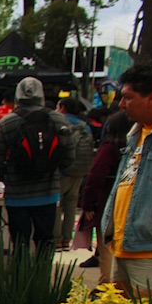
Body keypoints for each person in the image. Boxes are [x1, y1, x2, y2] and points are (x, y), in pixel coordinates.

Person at [100, 62, 152, 296]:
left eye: (127, 97)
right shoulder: (136, 133)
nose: (121, 104)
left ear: (151, 98)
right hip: (122, 246)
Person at [0, 76, 75, 252]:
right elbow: (69, 157)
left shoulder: (8, 122)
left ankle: (21, 277)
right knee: (45, 241)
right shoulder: (58, 120)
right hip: (48, 193)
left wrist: (12, 173)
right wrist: (51, 170)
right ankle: (41, 277)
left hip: (16, 195)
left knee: (20, 243)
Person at [78, 110, 130, 283]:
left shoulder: (110, 147)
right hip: (130, 201)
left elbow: (95, 176)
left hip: (107, 201)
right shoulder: (138, 146)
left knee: (106, 246)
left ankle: (106, 285)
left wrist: (88, 205)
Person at [54, 97, 94, 250]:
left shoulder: (60, 123)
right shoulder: (85, 126)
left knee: (57, 205)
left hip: (62, 172)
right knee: (71, 206)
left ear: (62, 107)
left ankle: (56, 239)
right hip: (79, 171)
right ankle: (66, 240)